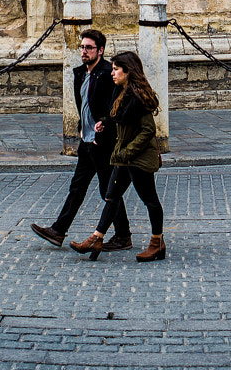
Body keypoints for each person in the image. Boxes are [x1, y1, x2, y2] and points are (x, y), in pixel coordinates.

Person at [31, 28, 133, 251]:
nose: (84, 51)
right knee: (77, 187)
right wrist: (82, 128)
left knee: (108, 190)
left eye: (89, 47)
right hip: (86, 140)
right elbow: (83, 105)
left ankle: (123, 236)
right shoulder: (80, 73)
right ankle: (58, 231)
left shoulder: (108, 73)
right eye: (82, 47)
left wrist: (103, 127)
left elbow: (114, 105)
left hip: (102, 142)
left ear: (100, 50)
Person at [67, 50, 167, 263]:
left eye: (116, 69)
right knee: (111, 196)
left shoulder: (138, 96)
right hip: (123, 157)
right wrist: (106, 122)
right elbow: (120, 119)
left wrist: (127, 151)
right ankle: (97, 238)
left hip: (138, 157)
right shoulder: (121, 92)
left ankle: (157, 242)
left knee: (150, 200)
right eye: (112, 69)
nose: (112, 73)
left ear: (128, 71)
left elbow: (147, 130)